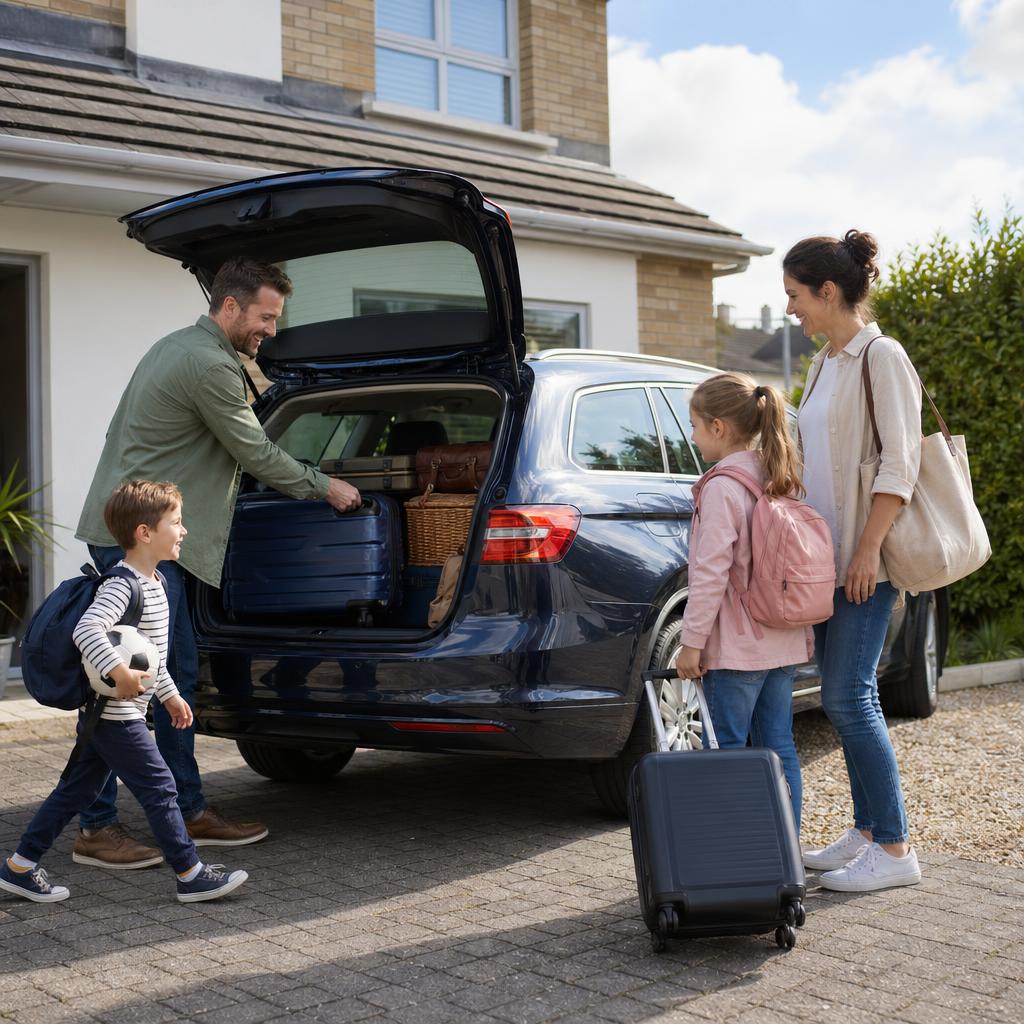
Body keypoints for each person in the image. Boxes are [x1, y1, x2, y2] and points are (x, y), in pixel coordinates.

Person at [73, 259, 361, 868]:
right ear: (229, 307)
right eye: (266, 317)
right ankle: (99, 828)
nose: (272, 331)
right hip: (139, 541)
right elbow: (253, 451)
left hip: (132, 530)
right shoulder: (207, 364)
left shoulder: (174, 347)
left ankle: (185, 808)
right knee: (121, 683)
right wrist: (324, 487)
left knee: (162, 670)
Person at [0, 481, 248, 904]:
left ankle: (19, 868)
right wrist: (118, 672)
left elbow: (152, 658)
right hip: (115, 716)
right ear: (144, 533)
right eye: (176, 522)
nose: (183, 530)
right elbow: (87, 629)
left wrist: (169, 696)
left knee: (75, 792)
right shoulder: (123, 584)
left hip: (113, 715)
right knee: (160, 787)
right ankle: (190, 873)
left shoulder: (159, 585)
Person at [785, 229, 922, 892]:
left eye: (795, 295)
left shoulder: (881, 356)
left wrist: (868, 547)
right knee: (845, 700)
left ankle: (895, 851)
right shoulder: (824, 365)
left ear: (829, 290)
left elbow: (902, 460)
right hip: (825, 562)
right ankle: (867, 833)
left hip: (864, 562)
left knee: (847, 695)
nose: (790, 310)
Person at [675, 372, 813, 832]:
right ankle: (784, 853)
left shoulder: (721, 486)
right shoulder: (779, 475)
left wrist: (691, 642)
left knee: (727, 750)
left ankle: (736, 862)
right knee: (780, 747)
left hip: (736, 648)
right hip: (784, 640)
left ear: (718, 427)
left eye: (694, 425)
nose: (692, 436)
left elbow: (709, 574)